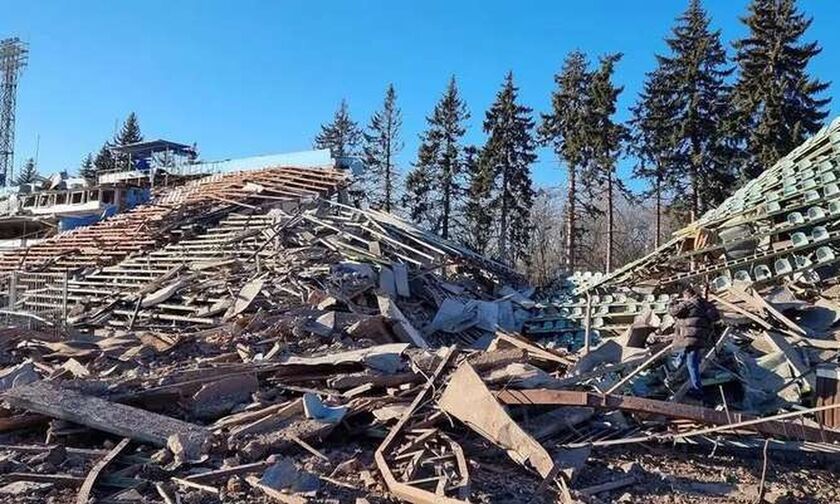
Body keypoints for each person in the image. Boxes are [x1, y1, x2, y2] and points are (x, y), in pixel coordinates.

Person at [667, 284, 719, 400]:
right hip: (701, 338)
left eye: (684, 296)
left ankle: (697, 389)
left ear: (687, 295)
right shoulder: (705, 303)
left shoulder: (688, 304)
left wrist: (671, 303)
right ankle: (675, 372)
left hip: (689, 339)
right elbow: (716, 317)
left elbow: (672, 312)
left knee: (692, 364)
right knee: (684, 356)